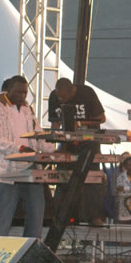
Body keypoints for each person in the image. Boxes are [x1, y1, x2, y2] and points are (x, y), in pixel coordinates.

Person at [0, 75, 55, 238]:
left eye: (25, 93)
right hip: (6, 166)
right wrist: (18, 148)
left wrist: (51, 149)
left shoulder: (27, 109)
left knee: (37, 209)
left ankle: (32, 247)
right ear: (7, 90)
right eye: (18, 92)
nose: (22, 96)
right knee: (3, 211)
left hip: (29, 164)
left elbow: (37, 135)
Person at [48, 77, 107, 226]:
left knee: (92, 178)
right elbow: (55, 123)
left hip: (89, 142)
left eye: (64, 97)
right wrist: (55, 143)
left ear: (72, 90)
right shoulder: (54, 97)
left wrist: (79, 123)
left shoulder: (87, 93)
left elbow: (101, 118)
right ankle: (62, 214)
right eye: (59, 97)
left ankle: (94, 216)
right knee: (63, 177)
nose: (61, 100)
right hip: (67, 143)